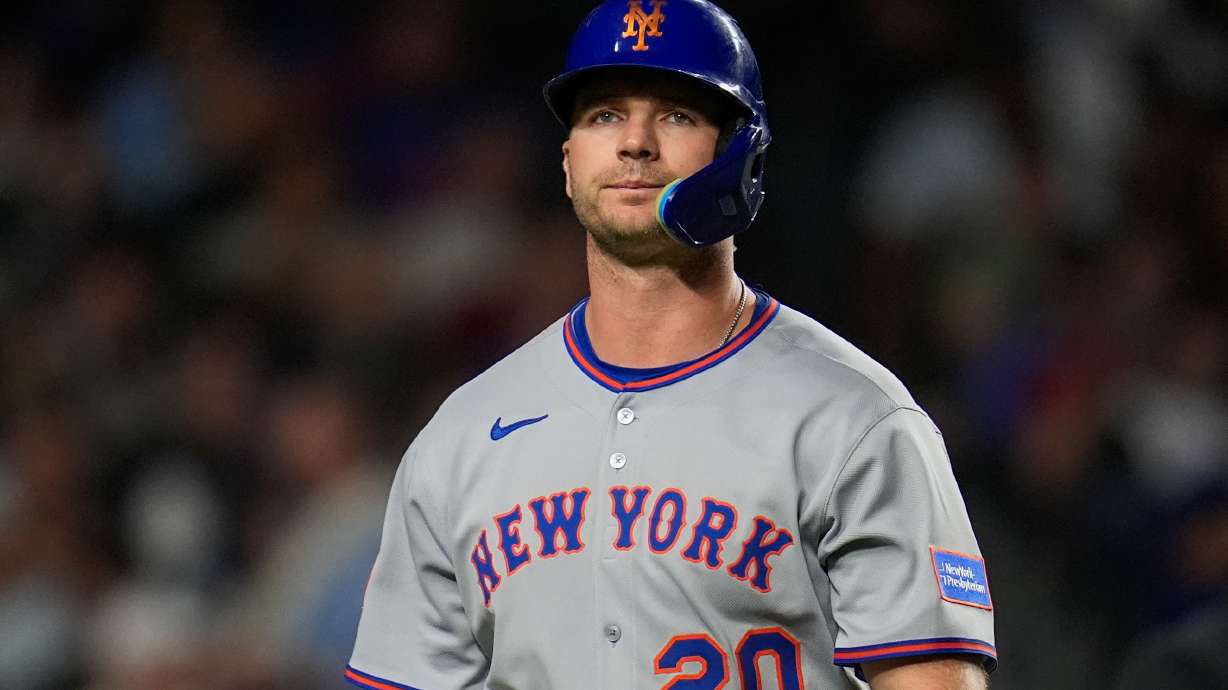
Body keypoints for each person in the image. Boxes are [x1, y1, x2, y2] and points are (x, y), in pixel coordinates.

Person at [345, 1, 996, 688]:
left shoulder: (853, 421)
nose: (635, 143)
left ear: (741, 156)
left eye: (677, 115)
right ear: (569, 163)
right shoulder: (465, 436)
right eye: (605, 116)